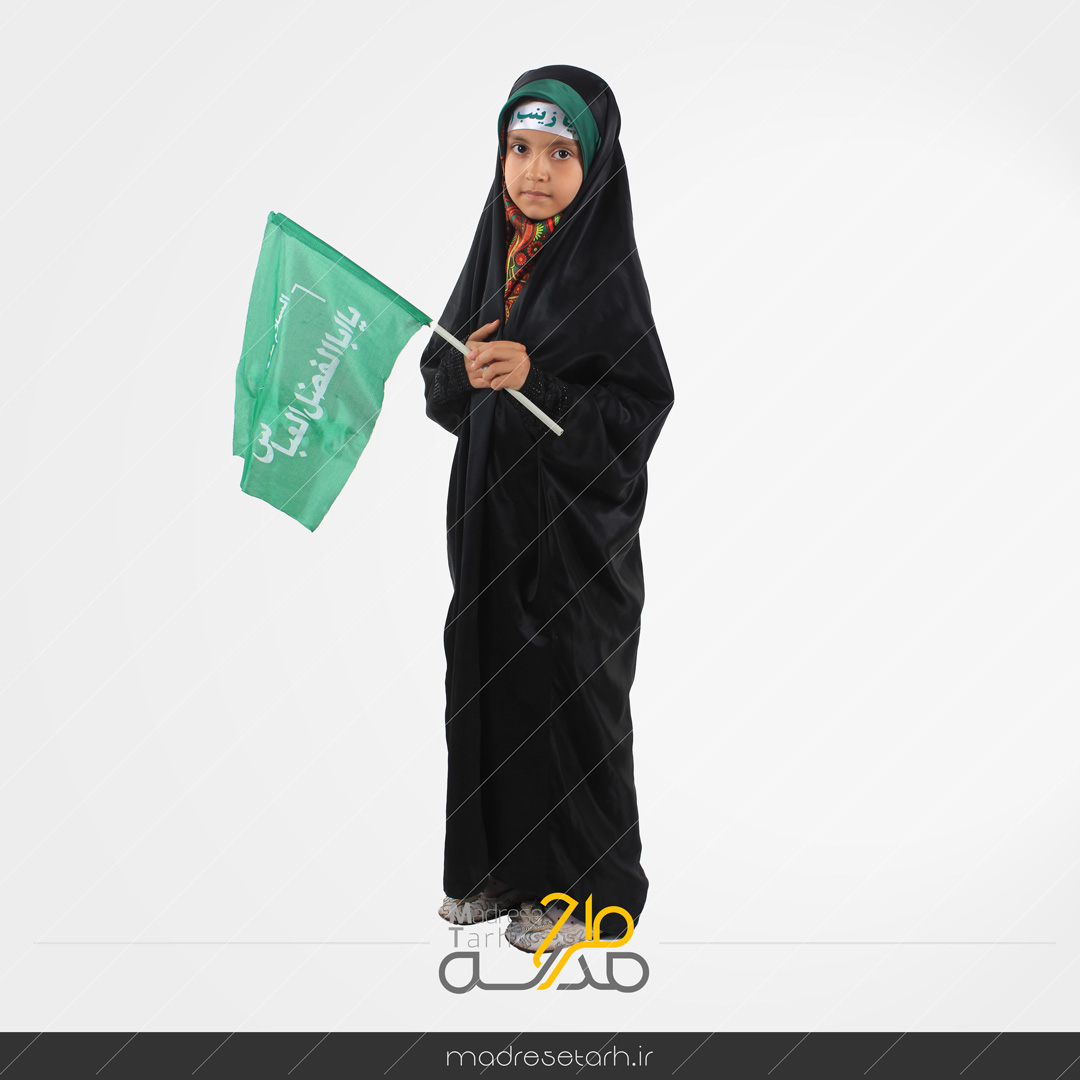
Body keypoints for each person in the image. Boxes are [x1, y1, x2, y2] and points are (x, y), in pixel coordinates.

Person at [419, 64, 674, 954]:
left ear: (594, 164)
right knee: (486, 687)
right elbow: (440, 390)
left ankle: (583, 894)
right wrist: (465, 370)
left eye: (559, 153)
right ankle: (498, 868)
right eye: (518, 148)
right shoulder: (493, 254)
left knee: (567, 703)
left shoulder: (604, 272)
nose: (533, 171)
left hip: (573, 546)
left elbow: (639, 410)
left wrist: (540, 382)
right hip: (489, 530)